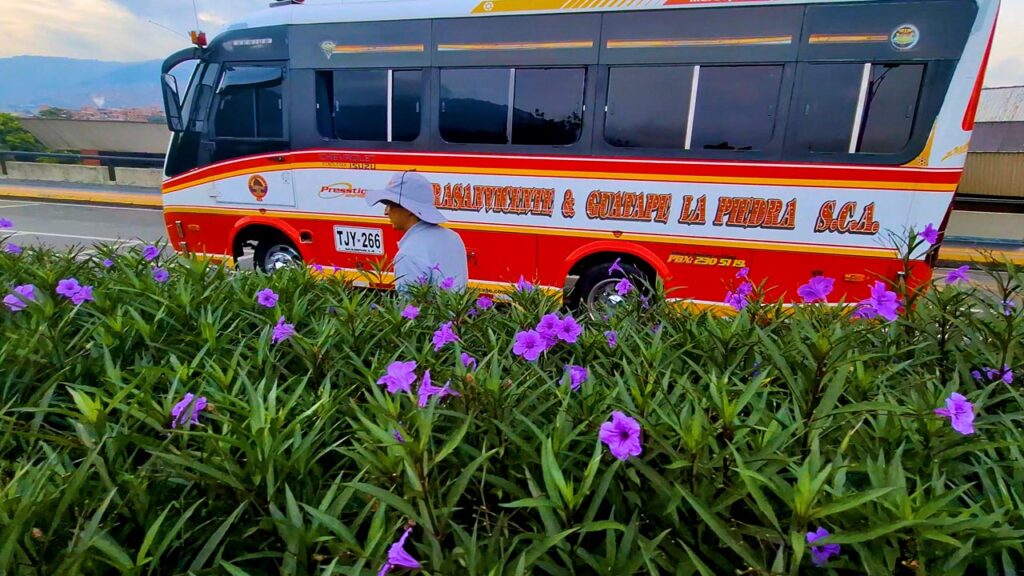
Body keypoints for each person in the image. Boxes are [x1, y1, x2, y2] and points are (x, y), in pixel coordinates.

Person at [365, 171, 468, 292]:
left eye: (390, 205)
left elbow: (410, 306)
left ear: (408, 209)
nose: (386, 212)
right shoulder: (453, 237)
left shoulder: (408, 254)